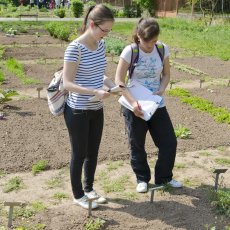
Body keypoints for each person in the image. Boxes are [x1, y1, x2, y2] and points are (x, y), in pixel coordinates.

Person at [115, 18, 182, 193]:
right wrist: (133, 103)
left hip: (156, 103)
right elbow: (119, 81)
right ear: (138, 36)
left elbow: (166, 74)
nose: (150, 45)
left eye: (154, 40)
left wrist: (161, 89)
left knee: (169, 142)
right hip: (134, 104)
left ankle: (164, 178)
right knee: (137, 144)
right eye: (147, 41)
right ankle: (142, 179)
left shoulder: (161, 49)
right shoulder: (130, 51)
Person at [62, 4, 114, 209]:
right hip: (77, 110)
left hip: (96, 108)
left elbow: (97, 73)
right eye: (104, 30)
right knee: (79, 153)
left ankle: (89, 189)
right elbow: (68, 83)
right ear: (92, 24)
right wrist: (95, 92)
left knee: (93, 151)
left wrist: (111, 85)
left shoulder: (100, 45)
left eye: (109, 31)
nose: (106, 35)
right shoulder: (74, 48)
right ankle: (78, 195)